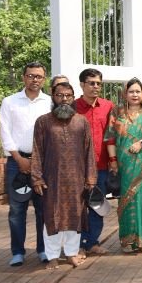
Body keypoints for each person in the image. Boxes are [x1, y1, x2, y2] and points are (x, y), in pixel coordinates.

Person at [31, 82, 97, 269]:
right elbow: (37, 150)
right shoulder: (43, 122)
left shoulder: (81, 121)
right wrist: (37, 177)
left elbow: (89, 151)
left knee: (75, 217)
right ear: (53, 96)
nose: (64, 99)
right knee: (52, 217)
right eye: (60, 95)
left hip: (77, 179)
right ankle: (52, 256)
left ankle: (71, 253)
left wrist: (91, 177)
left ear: (73, 96)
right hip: (52, 180)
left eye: (68, 95)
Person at [0, 61, 51, 266]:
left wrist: (37, 162)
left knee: (42, 209)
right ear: (23, 77)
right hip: (16, 161)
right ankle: (17, 252)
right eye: (30, 75)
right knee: (16, 210)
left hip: (43, 163)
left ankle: (43, 249)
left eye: (38, 76)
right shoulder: (10, 102)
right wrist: (19, 159)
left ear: (44, 79)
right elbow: (5, 131)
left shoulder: (49, 102)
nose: (34, 79)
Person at [106, 78, 142, 253]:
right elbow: (109, 138)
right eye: (131, 91)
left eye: (138, 91)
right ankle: (128, 240)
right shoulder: (117, 112)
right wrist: (113, 161)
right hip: (125, 164)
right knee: (127, 199)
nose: (135, 94)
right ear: (125, 93)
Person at [74, 68, 114, 255]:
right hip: (78, 168)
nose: (95, 86)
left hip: (101, 165)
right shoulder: (73, 108)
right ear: (82, 85)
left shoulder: (108, 106)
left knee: (97, 205)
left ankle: (93, 242)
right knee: (79, 207)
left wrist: (113, 160)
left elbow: (112, 136)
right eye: (91, 83)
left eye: (98, 83)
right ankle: (78, 244)